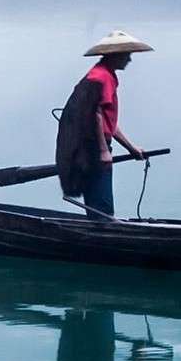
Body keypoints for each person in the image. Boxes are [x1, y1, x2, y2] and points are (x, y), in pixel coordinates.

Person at [55, 29, 151, 219]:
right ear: (115, 56)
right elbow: (94, 115)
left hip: (90, 146)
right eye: (126, 55)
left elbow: (109, 122)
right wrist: (102, 151)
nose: (129, 60)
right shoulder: (101, 78)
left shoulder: (106, 75)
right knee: (102, 209)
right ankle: (101, 238)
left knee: (99, 205)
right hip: (90, 149)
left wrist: (131, 148)